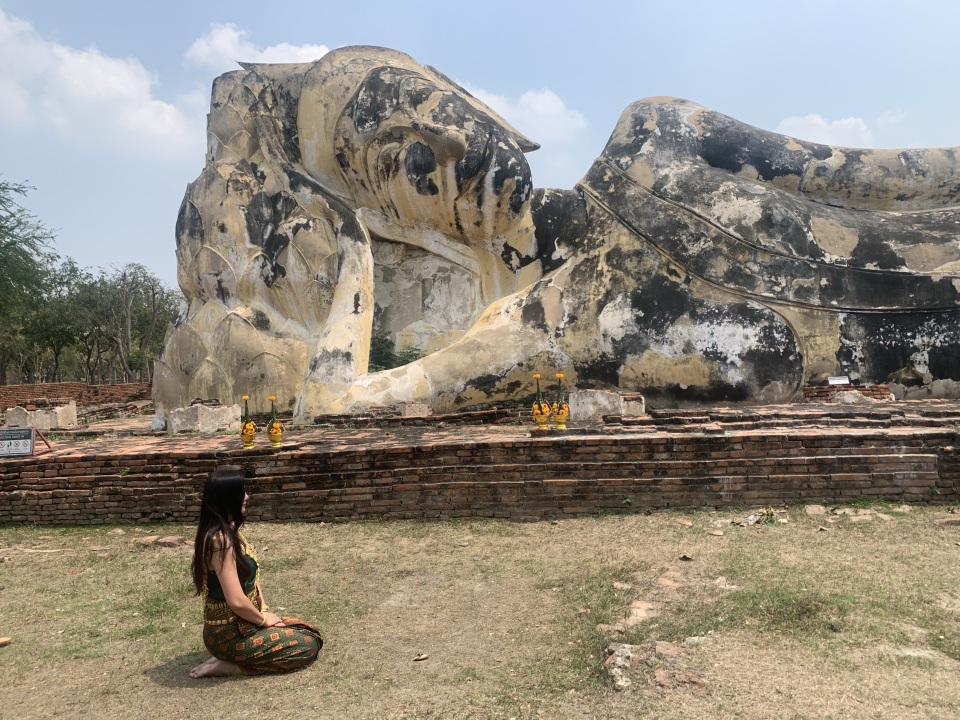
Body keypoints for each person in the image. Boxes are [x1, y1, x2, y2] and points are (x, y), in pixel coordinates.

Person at [189, 467, 322, 678]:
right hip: (228, 635)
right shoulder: (220, 542)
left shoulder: (229, 531)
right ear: (227, 497)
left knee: (306, 630)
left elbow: (252, 583)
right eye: (242, 492)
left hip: (245, 623)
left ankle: (232, 658)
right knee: (307, 645)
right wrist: (262, 620)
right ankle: (231, 666)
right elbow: (236, 601)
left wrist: (265, 610)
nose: (247, 497)